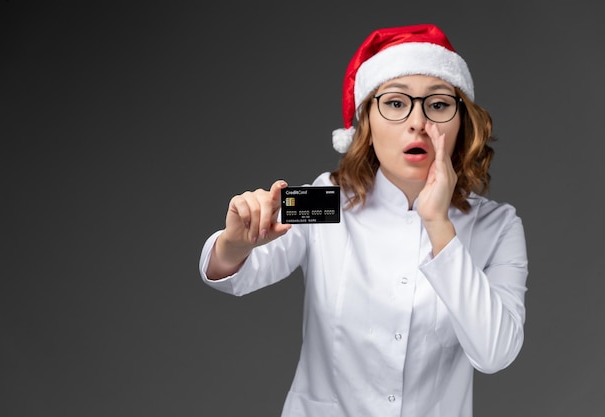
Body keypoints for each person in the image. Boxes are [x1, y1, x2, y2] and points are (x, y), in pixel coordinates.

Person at [198, 23, 528, 417]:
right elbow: (238, 271)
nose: (417, 122)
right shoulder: (325, 199)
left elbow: (495, 352)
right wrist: (236, 242)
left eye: (438, 104)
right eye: (395, 102)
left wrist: (439, 223)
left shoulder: (498, 225)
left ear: (462, 123)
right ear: (366, 123)